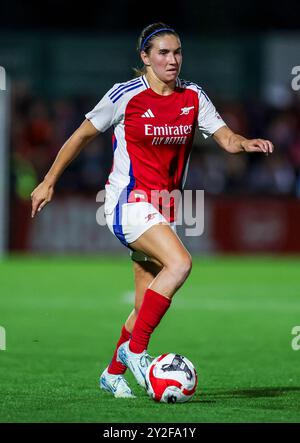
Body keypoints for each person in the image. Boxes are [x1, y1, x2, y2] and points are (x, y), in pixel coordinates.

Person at [31, 22, 274, 399]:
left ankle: (113, 373)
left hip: (165, 207)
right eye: (162, 52)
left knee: (146, 304)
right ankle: (136, 352)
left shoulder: (193, 96)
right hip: (127, 202)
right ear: (144, 58)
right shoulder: (124, 96)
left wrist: (244, 143)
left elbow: (225, 137)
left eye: (177, 52)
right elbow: (80, 136)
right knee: (180, 264)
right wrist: (48, 180)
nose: (172, 60)